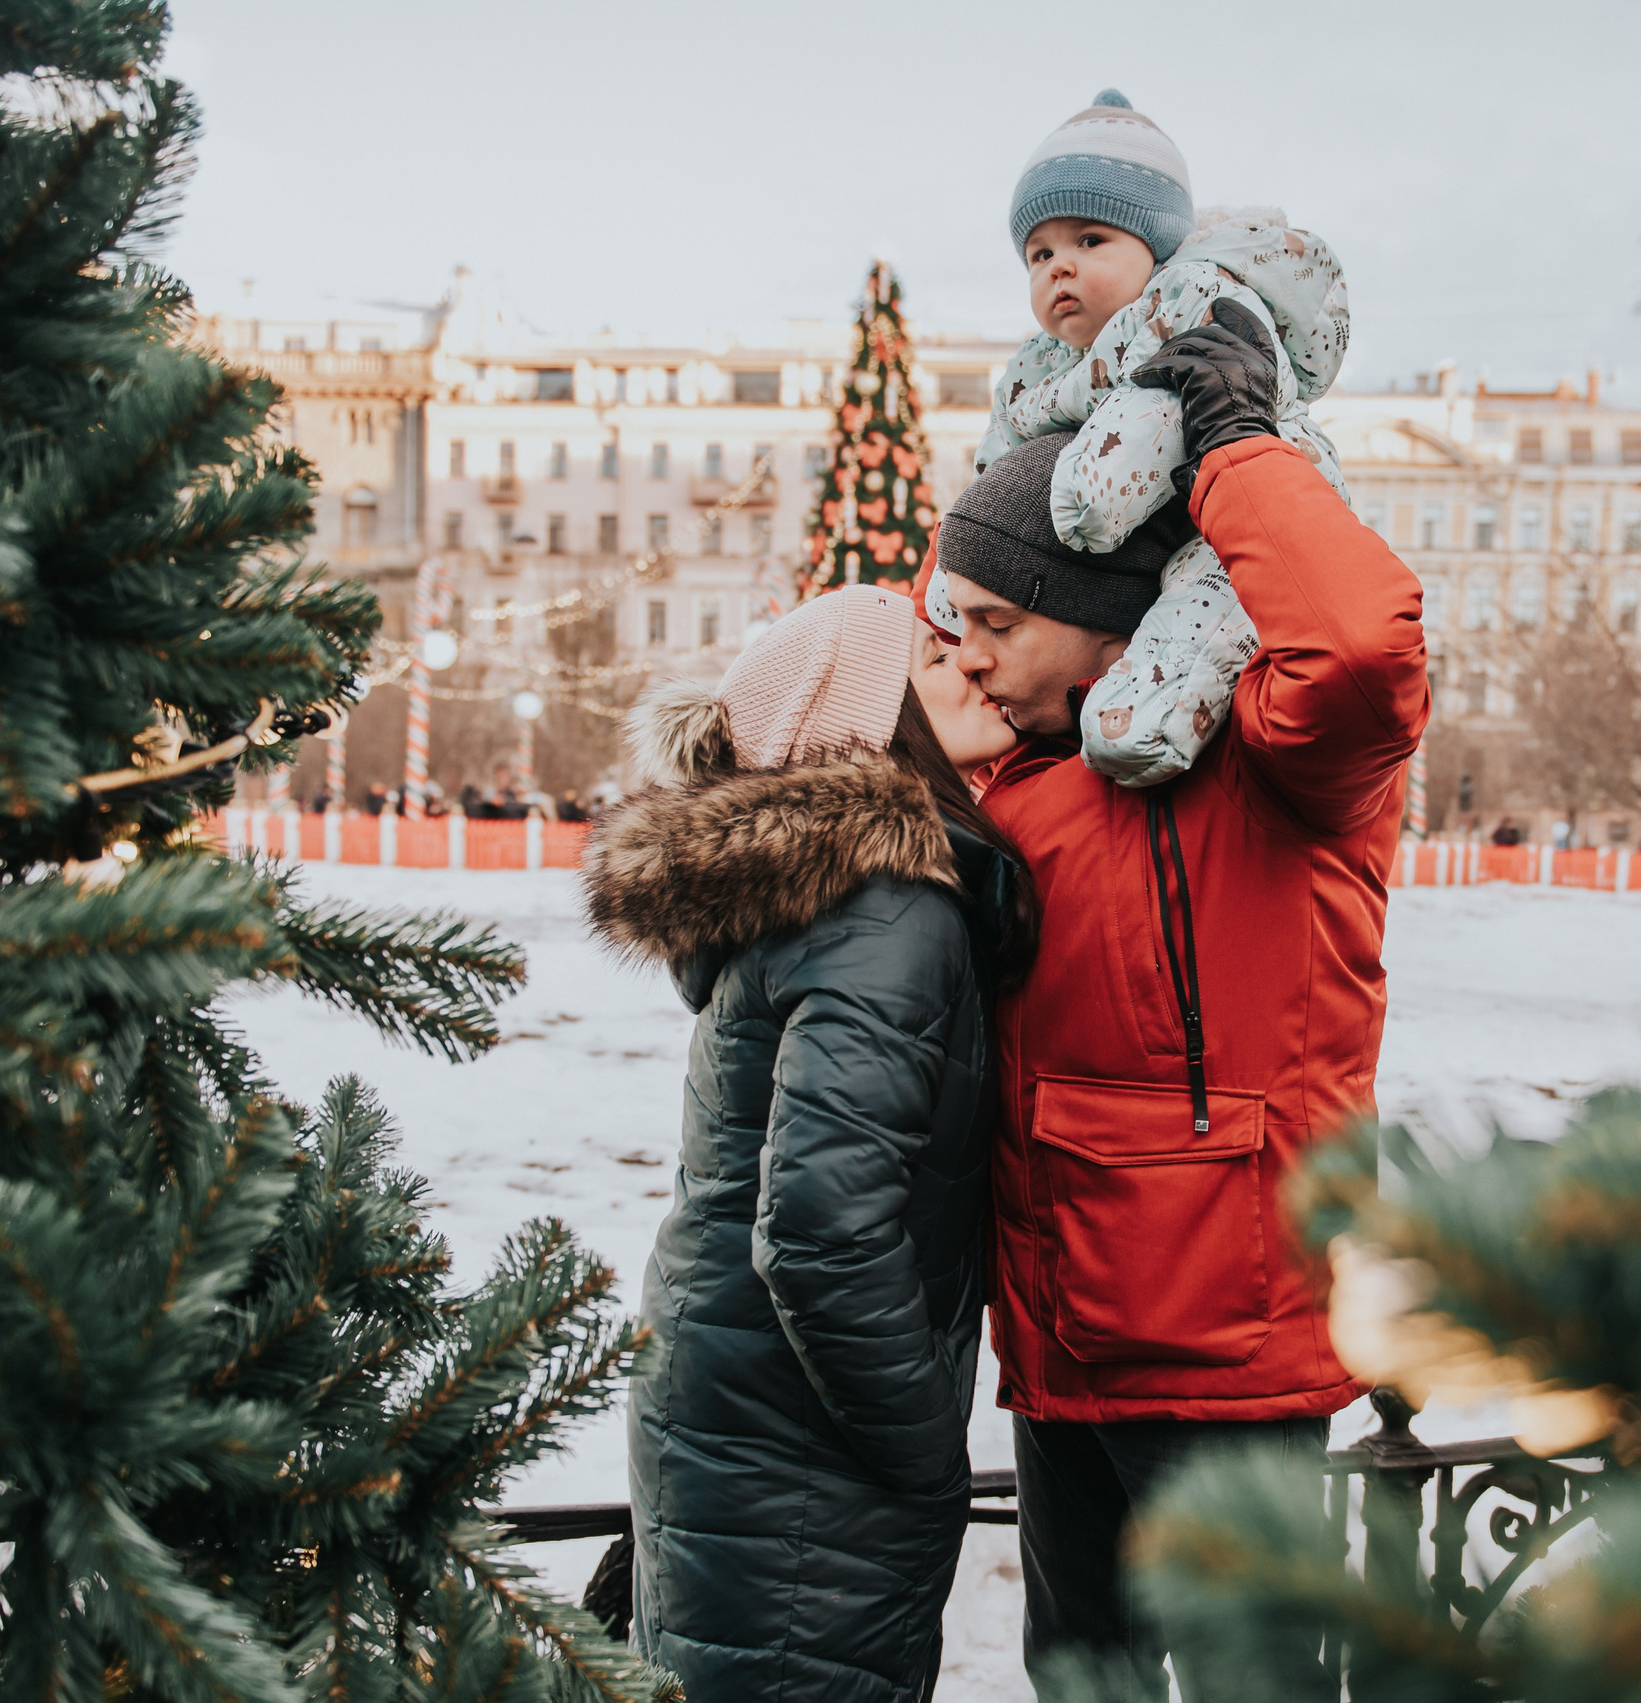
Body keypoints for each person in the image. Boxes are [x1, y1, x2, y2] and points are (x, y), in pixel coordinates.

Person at [940, 308, 1428, 1694]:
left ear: (1103, 621)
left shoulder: (1276, 764)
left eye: (995, 622)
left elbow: (1357, 646)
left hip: (1226, 1351)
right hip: (1061, 1343)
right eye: (956, 624)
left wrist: (1239, 452)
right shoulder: (1017, 775)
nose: (966, 653)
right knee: (1079, 1680)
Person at [585, 585, 1036, 1703]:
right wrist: (920, 1447)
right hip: (800, 1446)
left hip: (741, 1405)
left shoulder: (825, 898)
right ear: (868, 721)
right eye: (934, 659)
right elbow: (821, 1227)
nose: (972, 667)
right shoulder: (888, 910)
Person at [932, 90, 1351, 791]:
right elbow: (997, 469)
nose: (1058, 266)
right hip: (1122, 544)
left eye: (1089, 241)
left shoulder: (1190, 308)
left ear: (1157, 249)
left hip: (1224, 513)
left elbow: (1106, 488)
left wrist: (1076, 495)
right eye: (1039, 253)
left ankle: (1147, 719)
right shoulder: (1037, 367)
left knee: (1205, 609)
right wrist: (971, 569)